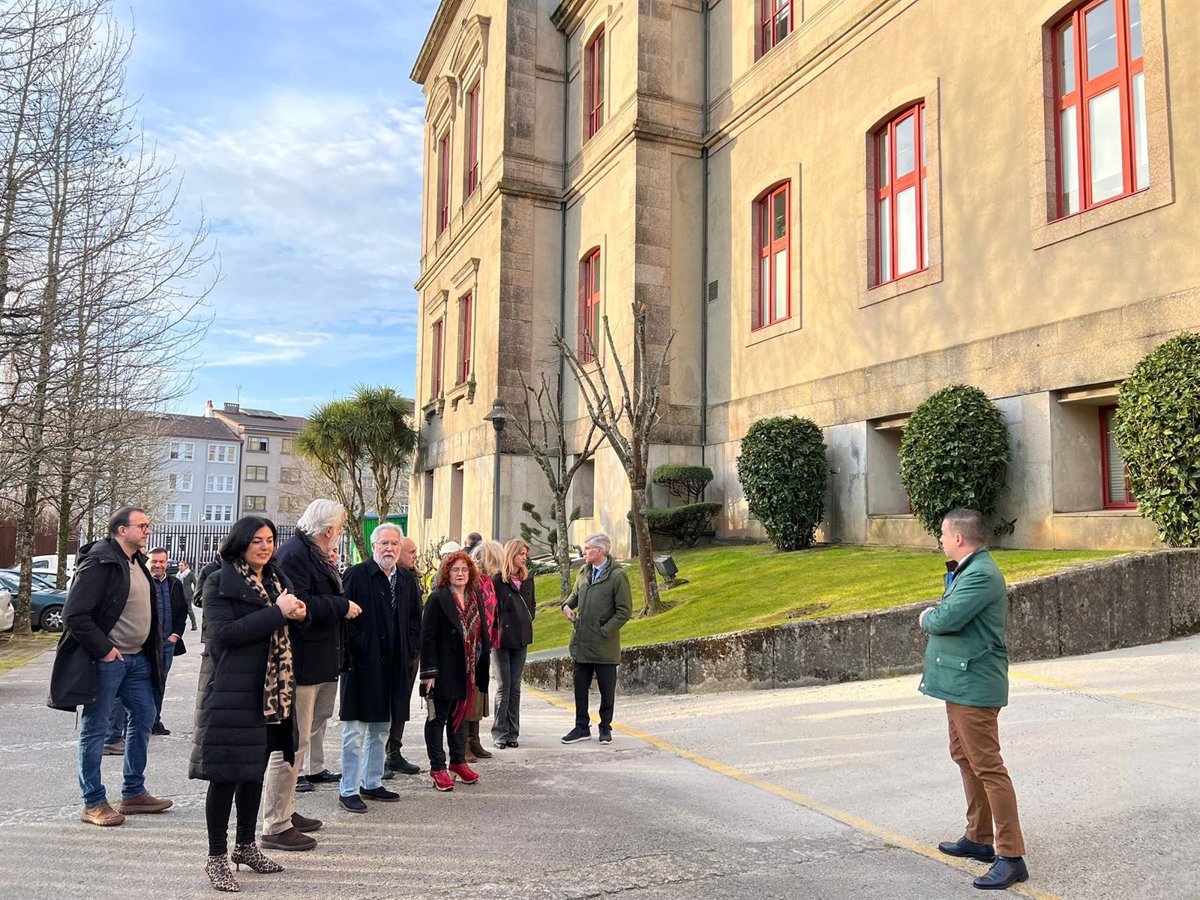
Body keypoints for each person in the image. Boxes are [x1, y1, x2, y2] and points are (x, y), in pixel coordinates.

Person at [190, 516, 307, 892]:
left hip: (272, 693)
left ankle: (245, 847)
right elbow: (224, 635)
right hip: (233, 691)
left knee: (254, 772)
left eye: (270, 539)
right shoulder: (218, 581)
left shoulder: (277, 580)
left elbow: (283, 629)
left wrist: (297, 616)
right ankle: (216, 858)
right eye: (257, 540)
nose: (265, 546)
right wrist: (278, 613)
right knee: (226, 775)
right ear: (240, 543)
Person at [920, 508, 1028, 891]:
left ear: (959, 538)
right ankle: (979, 837)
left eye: (943, 534)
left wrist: (927, 617)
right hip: (959, 681)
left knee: (988, 767)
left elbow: (945, 618)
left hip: (974, 684)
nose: (940, 540)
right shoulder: (967, 569)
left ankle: (1011, 856)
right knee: (964, 756)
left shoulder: (981, 573)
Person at [48, 506, 172, 827]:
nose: (147, 531)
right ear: (121, 530)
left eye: (148, 525)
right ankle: (93, 802)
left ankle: (133, 792)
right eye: (142, 526)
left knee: (144, 717)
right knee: (96, 729)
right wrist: (104, 650)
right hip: (109, 661)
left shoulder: (136, 562)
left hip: (138, 660)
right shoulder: (100, 561)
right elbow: (74, 614)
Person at [260, 499, 360, 851]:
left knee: (301, 742)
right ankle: (275, 823)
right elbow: (299, 606)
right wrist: (341, 606)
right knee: (290, 744)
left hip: (318, 661)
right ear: (329, 530)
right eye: (340, 529)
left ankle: (286, 810)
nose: (340, 535)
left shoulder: (311, 553)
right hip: (300, 665)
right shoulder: (295, 554)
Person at [336, 524, 418, 811]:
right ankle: (348, 789)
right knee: (355, 731)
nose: (390, 548)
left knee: (382, 727)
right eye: (384, 543)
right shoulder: (356, 575)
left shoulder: (406, 578)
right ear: (374, 546)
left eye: (395, 544)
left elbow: (414, 619)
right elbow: (345, 619)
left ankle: (371, 782)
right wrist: (358, 648)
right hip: (361, 665)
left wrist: (410, 651)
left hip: (394, 665)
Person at [420, 551, 489, 791]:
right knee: (438, 717)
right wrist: (429, 673)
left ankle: (458, 762)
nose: (460, 574)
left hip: (467, 669)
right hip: (444, 668)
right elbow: (427, 637)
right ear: (446, 573)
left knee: (460, 716)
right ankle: (437, 767)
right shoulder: (437, 598)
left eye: (464, 569)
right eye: (455, 570)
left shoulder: (475, 595)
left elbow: (482, 631)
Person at [560, 533, 632, 745]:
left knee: (606, 690)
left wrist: (604, 630)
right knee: (579, 688)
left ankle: (605, 727)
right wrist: (567, 606)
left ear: (600, 551)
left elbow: (624, 611)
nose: (583, 552)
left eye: (587, 548)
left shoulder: (617, 576)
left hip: (604, 645)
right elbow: (575, 595)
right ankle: (581, 727)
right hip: (582, 642)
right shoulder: (584, 571)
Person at [295, 543, 342, 794]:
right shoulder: (307, 571)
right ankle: (297, 772)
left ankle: (316, 766)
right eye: (329, 550)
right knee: (302, 722)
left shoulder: (334, 575)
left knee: (321, 716)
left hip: (330, 656)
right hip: (309, 658)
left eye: (336, 551)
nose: (333, 554)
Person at [384, 535, 424, 778]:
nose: (415, 556)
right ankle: (380, 755)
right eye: (411, 552)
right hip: (391, 653)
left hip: (410, 651)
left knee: (401, 703)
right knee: (386, 705)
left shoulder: (411, 577)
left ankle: (394, 752)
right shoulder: (387, 579)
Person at [491, 538, 536, 749]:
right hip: (501, 639)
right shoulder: (498, 580)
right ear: (511, 555)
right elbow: (491, 609)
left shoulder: (527, 579)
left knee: (515, 687)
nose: (524, 558)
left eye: (526, 554)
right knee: (504, 686)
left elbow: (532, 606)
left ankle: (513, 732)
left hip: (521, 637)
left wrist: (526, 621)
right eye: (521, 554)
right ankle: (500, 732)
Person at [462, 540, 502, 761]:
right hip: (470, 643)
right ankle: (463, 744)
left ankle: (474, 739)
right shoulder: (472, 582)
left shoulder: (488, 582)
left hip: (482, 643)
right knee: (468, 693)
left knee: (479, 692)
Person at [148, 547, 188, 736]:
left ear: (167, 562)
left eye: (161, 561)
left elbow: (182, 610)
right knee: (141, 683)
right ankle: (136, 722)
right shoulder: (143, 582)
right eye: (154, 561)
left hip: (167, 643)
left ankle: (155, 721)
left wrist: (176, 635)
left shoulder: (174, 583)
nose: (158, 565)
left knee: (160, 682)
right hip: (146, 643)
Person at [178, 560, 199, 630]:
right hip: (179, 594)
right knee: (179, 610)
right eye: (179, 565)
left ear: (185, 566)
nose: (180, 567)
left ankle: (194, 625)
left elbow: (196, 583)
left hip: (187, 594)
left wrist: (195, 592)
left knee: (189, 610)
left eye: (181, 565)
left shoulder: (189, 573)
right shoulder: (178, 574)